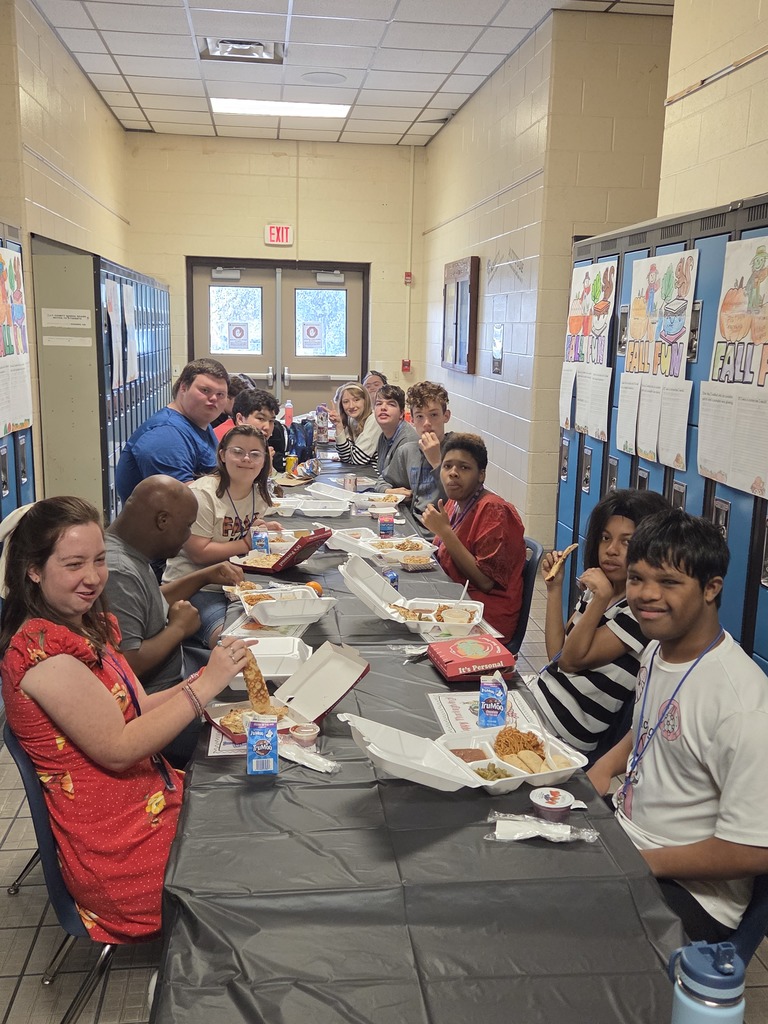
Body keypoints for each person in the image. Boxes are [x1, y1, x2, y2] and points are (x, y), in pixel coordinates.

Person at [0, 496, 248, 943]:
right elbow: (119, 748)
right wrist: (204, 687)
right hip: (119, 849)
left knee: (253, 812)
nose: (93, 577)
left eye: (98, 560)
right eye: (74, 564)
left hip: (146, 800)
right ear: (33, 570)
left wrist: (213, 683)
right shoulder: (44, 657)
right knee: (256, 861)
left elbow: (135, 709)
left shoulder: (80, 624)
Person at [587, 510, 768, 942]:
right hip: (632, 838)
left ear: (711, 588)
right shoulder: (659, 651)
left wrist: (643, 860)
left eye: (668, 582)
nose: (647, 595)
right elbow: (653, 725)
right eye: (636, 578)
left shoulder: (742, 707)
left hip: (690, 894)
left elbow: (755, 850)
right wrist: (602, 768)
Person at [531, 488, 670, 761]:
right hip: (541, 706)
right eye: (606, 538)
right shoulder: (600, 591)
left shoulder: (637, 613)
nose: (611, 550)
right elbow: (557, 655)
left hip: (564, 734)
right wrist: (554, 590)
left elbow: (571, 661)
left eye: (626, 542)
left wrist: (601, 598)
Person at [162, 425, 280, 647]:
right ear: (222, 454)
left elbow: (239, 531)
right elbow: (199, 553)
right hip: (195, 587)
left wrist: (259, 530)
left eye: (255, 454)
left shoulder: (259, 493)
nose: (246, 459)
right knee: (231, 640)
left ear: (264, 460)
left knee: (276, 624)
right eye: (238, 451)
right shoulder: (203, 495)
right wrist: (245, 543)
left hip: (233, 583)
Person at [422, 433, 525, 645]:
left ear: (481, 475)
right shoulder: (454, 503)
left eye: (464, 467)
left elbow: (485, 581)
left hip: (483, 617)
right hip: (454, 603)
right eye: (447, 466)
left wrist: (445, 532)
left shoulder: (494, 511)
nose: (453, 474)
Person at [116, 359, 229, 502]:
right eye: (205, 390)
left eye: (221, 394)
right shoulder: (166, 435)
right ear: (183, 387)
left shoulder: (200, 424)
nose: (213, 398)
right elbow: (187, 501)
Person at [375, 380, 453, 528]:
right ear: (411, 419)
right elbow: (381, 481)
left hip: (443, 533)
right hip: (411, 526)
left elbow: (461, 498)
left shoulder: (459, 450)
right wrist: (389, 490)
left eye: (434, 415)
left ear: (446, 416)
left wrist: (437, 462)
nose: (426, 423)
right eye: (419, 416)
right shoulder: (408, 451)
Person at [215, 388, 285, 473]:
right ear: (240, 419)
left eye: (271, 421)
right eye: (260, 418)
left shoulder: (253, 441)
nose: (267, 427)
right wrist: (264, 463)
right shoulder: (225, 439)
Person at [367, 384, 417, 484]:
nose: (383, 408)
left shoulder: (407, 440)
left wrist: (384, 489)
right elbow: (384, 476)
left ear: (402, 413)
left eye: (391, 404)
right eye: (379, 403)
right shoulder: (383, 437)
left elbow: (392, 480)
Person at [329, 382, 381, 466]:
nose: (351, 406)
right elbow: (345, 456)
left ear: (365, 400)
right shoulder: (352, 419)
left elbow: (358, 459)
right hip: (360, 470)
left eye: (356, 400)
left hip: (373, 473)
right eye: (346, 402)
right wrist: (339, 426)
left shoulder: (374, 420)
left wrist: (350, 456)